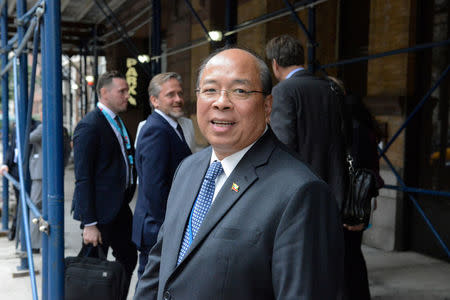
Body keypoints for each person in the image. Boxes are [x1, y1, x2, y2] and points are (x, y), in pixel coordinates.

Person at [134, 47, 344, 300]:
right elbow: (159, 264)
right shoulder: (188, 169)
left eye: (240, 91)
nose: (221, 102)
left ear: (268, 106)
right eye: (210, 90)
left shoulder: (301, 193)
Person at [71, 70, 137, 299]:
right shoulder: (90, 125)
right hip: (99, 213)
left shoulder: (116, 121)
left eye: (127, 91)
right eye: (122, 91)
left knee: (128, 257)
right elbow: (83, 177)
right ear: (104, 92)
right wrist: (89, 223)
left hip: (118, 206)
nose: (127, 95)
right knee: (89, 269)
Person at [265, 34, 347, 210]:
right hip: (334, 187)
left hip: (300, 191)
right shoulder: (331, 88)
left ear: (275, 64)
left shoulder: (282, 91)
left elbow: (283, 145)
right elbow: (345, 134)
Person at [132, 72, 192, 279]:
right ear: (155, 100)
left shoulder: (171, 126)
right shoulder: (156, 130)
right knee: (149, 285)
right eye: (171, 95)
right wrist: (170, 226)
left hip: (159, 227)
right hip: (156, 228)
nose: (178, 99)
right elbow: (154, 188)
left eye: (180, 93)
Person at [28, 123, 43, 252]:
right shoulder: (63, 128)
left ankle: (34, 244)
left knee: (35, 207)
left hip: (40, 174)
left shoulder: (43, 127)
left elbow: (27, 138)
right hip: (51, 173)